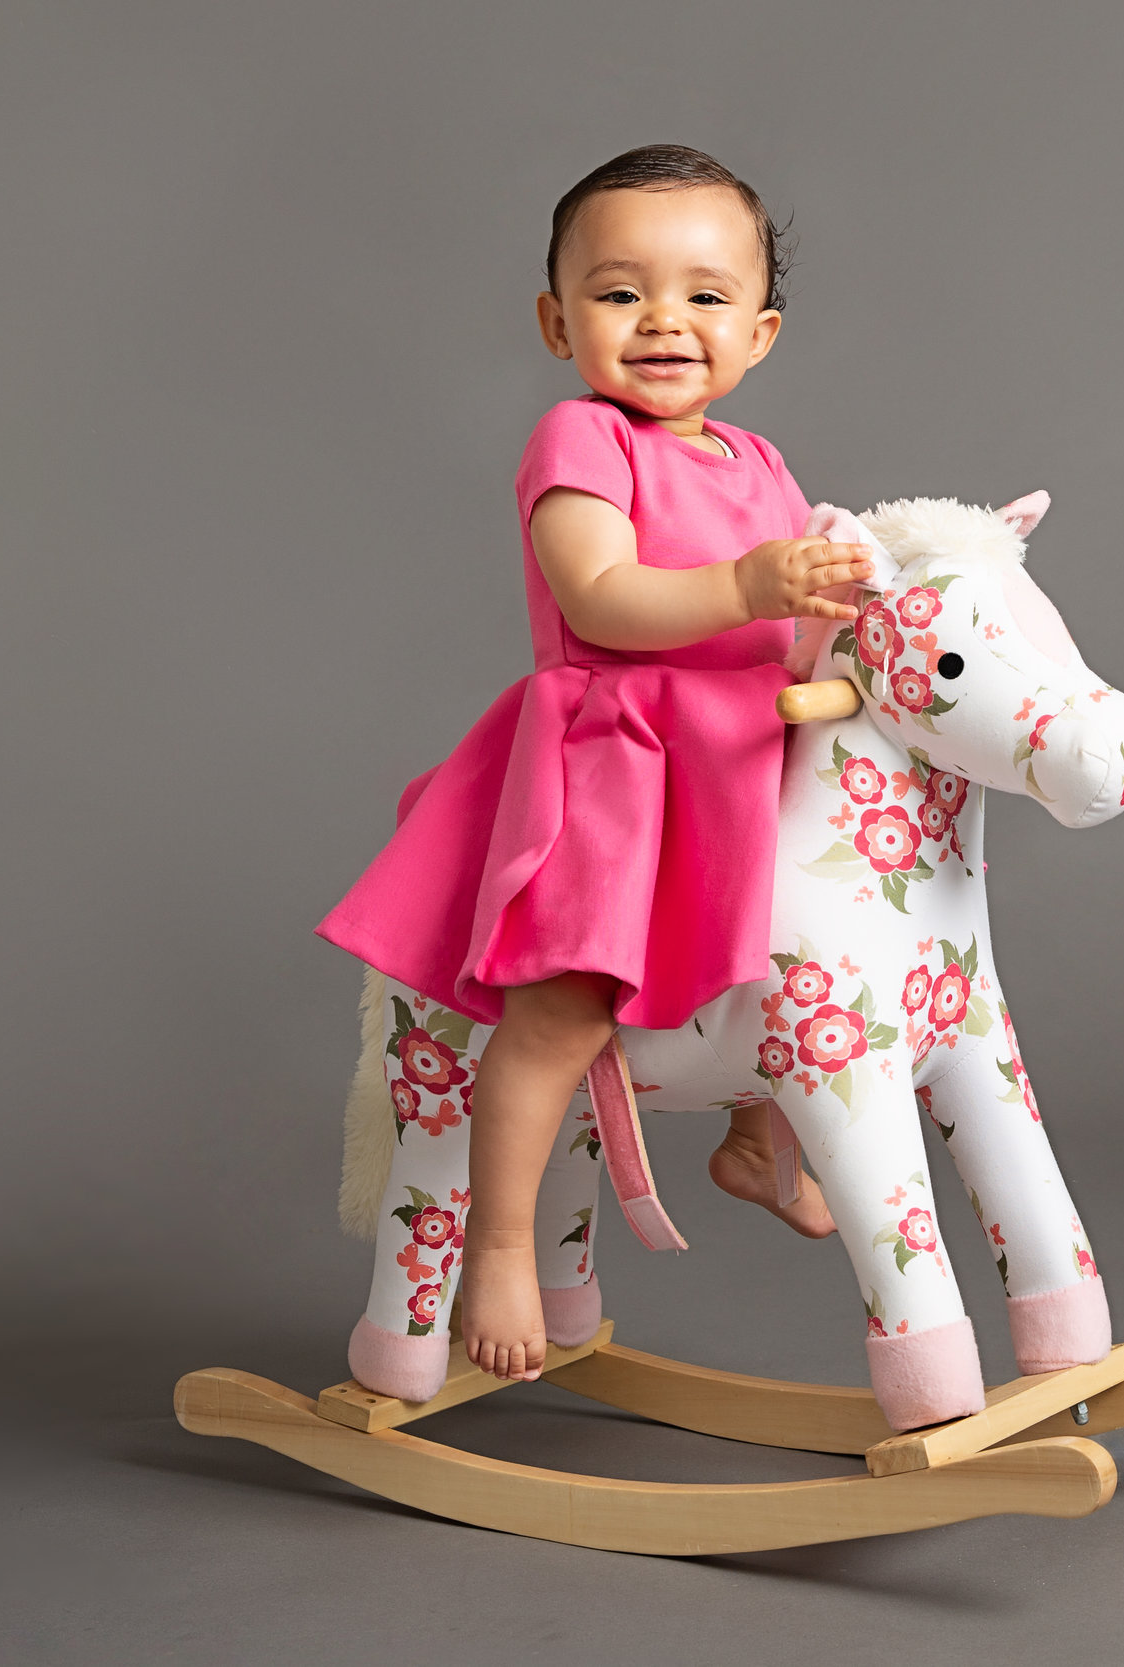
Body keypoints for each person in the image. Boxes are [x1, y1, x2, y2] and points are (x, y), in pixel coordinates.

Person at [319, 146, 851, 1384]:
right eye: (620, 294)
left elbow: (799, 612)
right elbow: (602, 596)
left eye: (707, 297)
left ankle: (756, 1135)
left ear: (760, 332)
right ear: (560, 322)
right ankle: (501, 1249)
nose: (665, 319)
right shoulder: (584, 438)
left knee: (811, 959)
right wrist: (752, 583)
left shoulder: (761, 465)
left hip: (736, 768)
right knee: (560, 1013)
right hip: (619, 769)